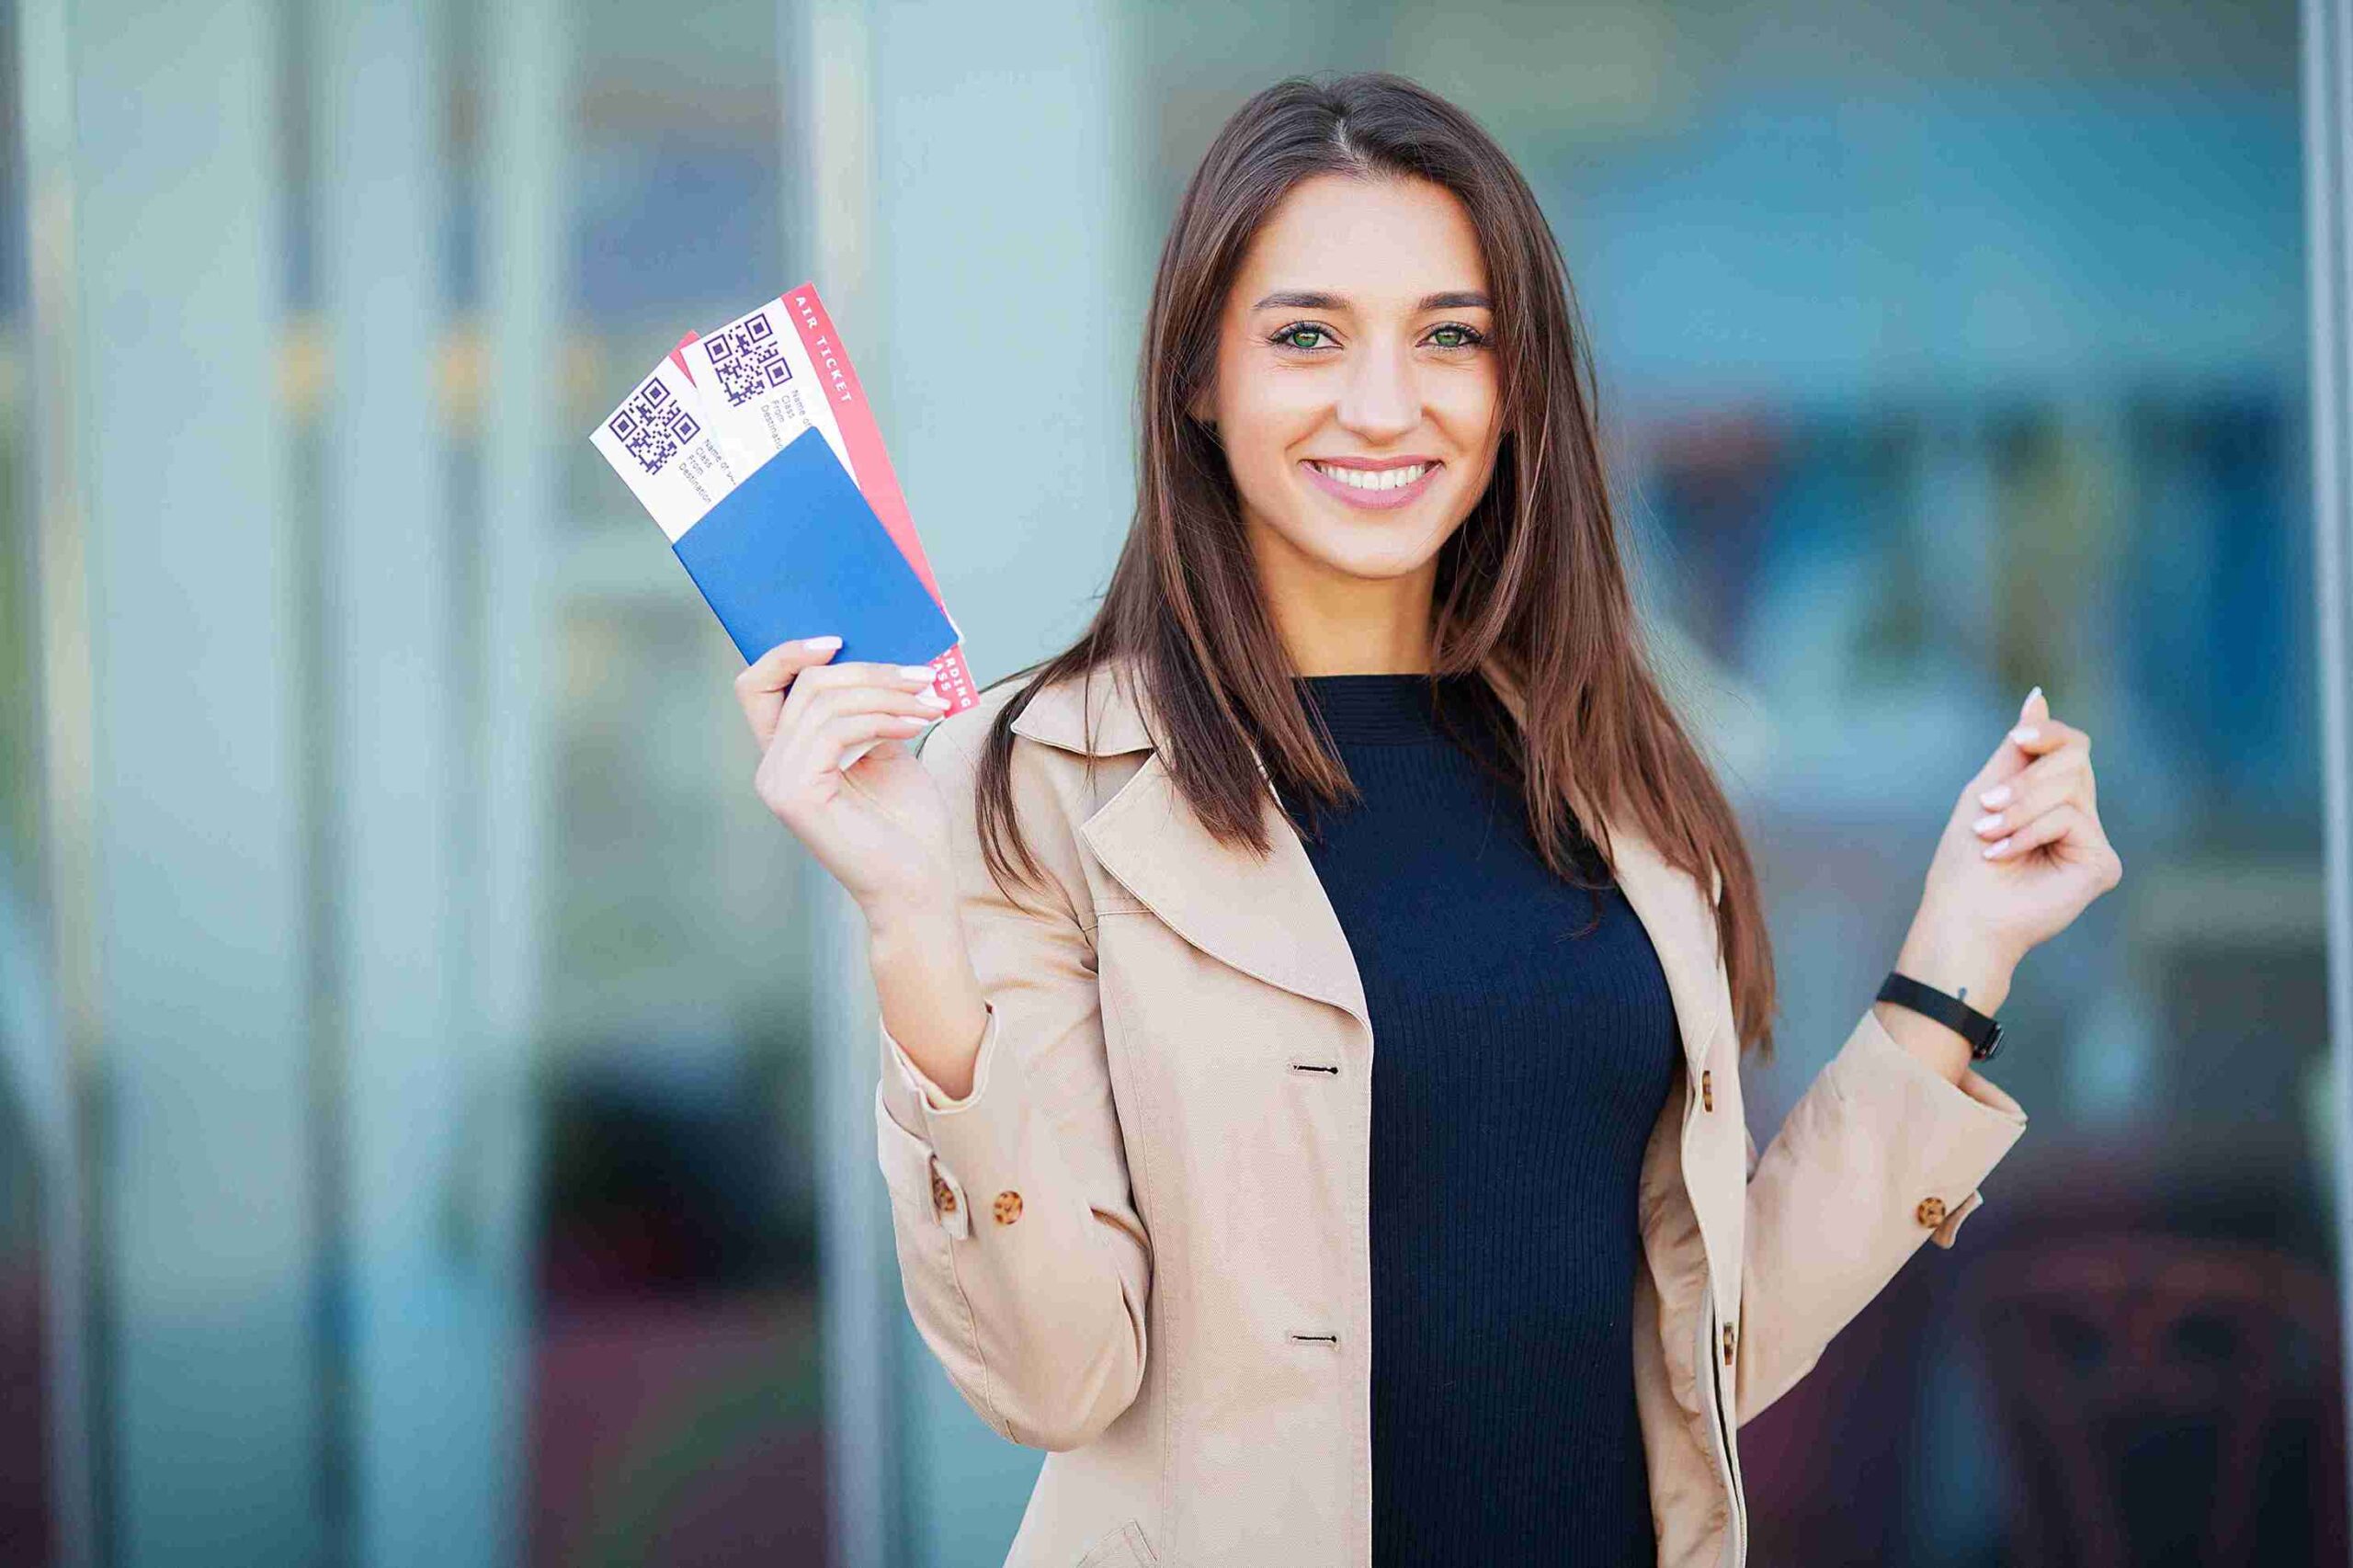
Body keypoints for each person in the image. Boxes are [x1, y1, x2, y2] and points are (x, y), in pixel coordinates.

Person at [734, 71, 2120, 1568]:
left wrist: (1958, 954)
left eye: (1449, 335)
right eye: (1308, 335)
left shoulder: (1612, 763)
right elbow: (1055, 1373)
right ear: (1198, 377)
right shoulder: (1040, 778)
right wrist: (909, 931)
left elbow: (1699, 1359)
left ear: (1514, 383)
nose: (1385, 404)